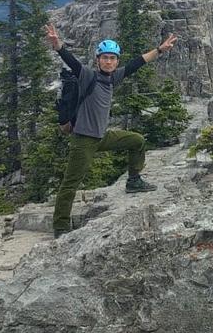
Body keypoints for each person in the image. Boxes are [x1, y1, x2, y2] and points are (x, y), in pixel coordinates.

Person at [43, 22, 178, 237]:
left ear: (116, 61)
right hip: (84, 140)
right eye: (104, 57)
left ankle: (133, 180)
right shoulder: (88, 75)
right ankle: (60, 227)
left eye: (112, 58)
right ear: (98, 60)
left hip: (102, 137)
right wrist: (58, 45)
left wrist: (160, 50)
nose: (108, 61)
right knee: (71, 183)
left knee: (136, 140)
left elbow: (137, 63)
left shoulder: (113, 78)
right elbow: (72, 63)